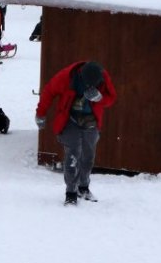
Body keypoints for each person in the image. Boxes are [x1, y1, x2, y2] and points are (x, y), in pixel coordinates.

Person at [36, 61, 117, 205]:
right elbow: (49, 91)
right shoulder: (66, 77)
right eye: (88, 84)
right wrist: (40, 114)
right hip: (70, 120)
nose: (91, 87)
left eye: (94, 85)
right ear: (81, 76)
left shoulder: (102, 76)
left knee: (88, 156)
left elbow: (111, 97)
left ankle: (83, 187)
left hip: (91, 121)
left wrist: (100, 98)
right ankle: (71, 192)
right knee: (73, 155)